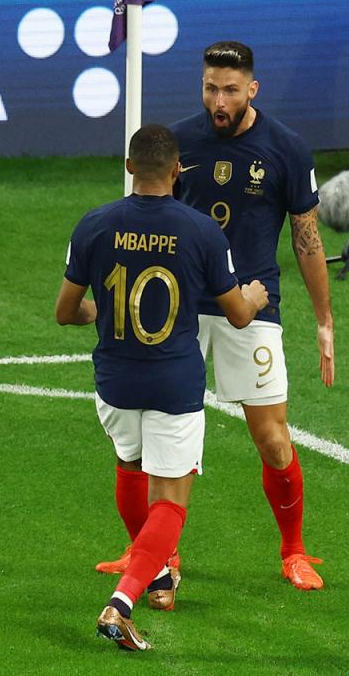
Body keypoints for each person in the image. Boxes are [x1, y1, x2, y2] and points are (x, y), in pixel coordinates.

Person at [95, 41, 336, 591]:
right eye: (210, 87)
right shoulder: (179, 145)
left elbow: (307, 239)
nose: (218, 99)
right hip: (180, 309)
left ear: (252, 89)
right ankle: (153, 557)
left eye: (229, 89)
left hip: (250, 309)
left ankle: (294, 551)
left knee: (272, 437)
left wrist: (324, 319)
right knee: (139, 444)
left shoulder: (287, 150)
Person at [56, 124, 268, 650]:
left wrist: (98, 311)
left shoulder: (93, 224)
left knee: (130, 467)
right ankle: (121, 602)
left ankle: (156, 573)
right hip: (173, 383)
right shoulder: (200, 231)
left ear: (130, 167)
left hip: (115, 380)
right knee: (171, 504)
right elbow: (238, 315)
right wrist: (258, 297)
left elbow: (65, 312)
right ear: (177, 172)